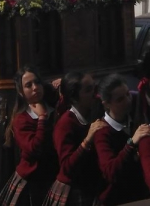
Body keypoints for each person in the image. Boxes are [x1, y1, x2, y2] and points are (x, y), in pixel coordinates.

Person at [0, 65, 59, 206]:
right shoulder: (22, 119)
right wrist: (42, 118)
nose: (35, 88)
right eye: (28, 85)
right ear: (22, 92)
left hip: (53, 176)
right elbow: (34, 149)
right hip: (33, 180)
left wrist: (62, 84)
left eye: (37, 82)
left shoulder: (54, 108)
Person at [45, 71, 107, 206]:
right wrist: (87, 140)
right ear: (74, 97)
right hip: (73, 191)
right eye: (89, 90)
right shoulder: (65, 124)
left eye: (95, 88)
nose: (95, 95)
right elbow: (67, 167)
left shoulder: (94, 113)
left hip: (91, 187)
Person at [93, 73, 150, 204]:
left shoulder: (135, 116)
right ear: (107, 104)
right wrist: (131, 144)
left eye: (127, 94)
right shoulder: (102, 132)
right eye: (120, 99)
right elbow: (110, 172)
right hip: (115, 199)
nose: (128, 100)